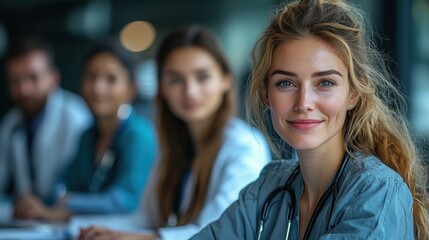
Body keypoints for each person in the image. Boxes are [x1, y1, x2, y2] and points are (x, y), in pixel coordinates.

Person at [192, 0, 429, 239]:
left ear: (354, 93)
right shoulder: (268, 187)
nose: (303, 102)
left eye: (325, 83)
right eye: (286, 83)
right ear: (266, 94)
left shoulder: (378, 191)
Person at [78, 25, 271, 240]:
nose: (190, 91)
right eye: (175, 79)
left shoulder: (244, 146)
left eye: (202, 77)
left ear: (225, 80)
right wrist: (87, 229)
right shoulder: (173, 146)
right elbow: (145, 218)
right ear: (161, 87)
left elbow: (218, 233)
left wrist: (138, 238)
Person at [12, 41, 158, 221]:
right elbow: (65, 182)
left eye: (111, 79)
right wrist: (37, 202)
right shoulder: (88, 135)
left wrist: (68, 203)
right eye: (91, 76)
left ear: (131, 88)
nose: (98, 88)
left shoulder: (138, 134)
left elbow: (125, 200)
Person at [0, 38, 92, 217]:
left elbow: (78, 184)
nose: (24, 89)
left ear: (54, 78)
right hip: (29, 220)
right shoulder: (11, 122)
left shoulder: (75, 116)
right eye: (15, 81)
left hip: (63, 217)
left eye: (33, 78)